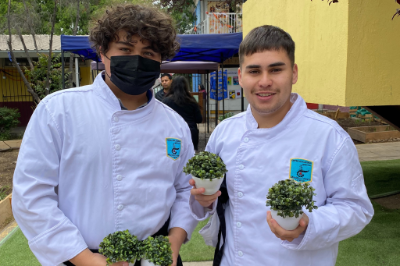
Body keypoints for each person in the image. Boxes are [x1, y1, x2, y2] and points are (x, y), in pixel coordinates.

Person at [12, 4, 197, 266]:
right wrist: (86, 259)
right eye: (125, 50)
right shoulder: (58, 111)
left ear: (160, 60)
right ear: (103, 52)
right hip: (78, 257)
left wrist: (173, 243)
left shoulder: (175, 125)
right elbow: (31, 195)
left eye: (148, 53)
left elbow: (184, 190)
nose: (136, 59)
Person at [189, 25, 374, 266]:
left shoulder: (328, 137)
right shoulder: (225, 132)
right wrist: (203, 199)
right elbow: (210, 197)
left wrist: (309, 223)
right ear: (241, 77)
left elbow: (356, 208)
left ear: (294, 73)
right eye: (254, 71)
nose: (265, 82)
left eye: (276, 70)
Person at [163, 76, 203, 151]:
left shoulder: (167, 101)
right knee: (190, 158)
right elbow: (199, 119)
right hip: (191, 133)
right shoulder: (191, 100)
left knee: (174, 157)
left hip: (173, 133)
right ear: (185, 87)